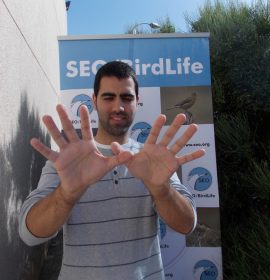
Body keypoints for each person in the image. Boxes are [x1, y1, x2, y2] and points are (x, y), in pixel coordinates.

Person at [19, 61, 205, 280]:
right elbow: (29, 233)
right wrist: (66, 196)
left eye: (127, 98)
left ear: (137, 101)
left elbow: (186, 225)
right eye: (108, 97)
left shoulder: (154, 160)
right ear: (94, 101)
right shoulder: (67, 162)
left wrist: (161, 190)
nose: (118, 107)